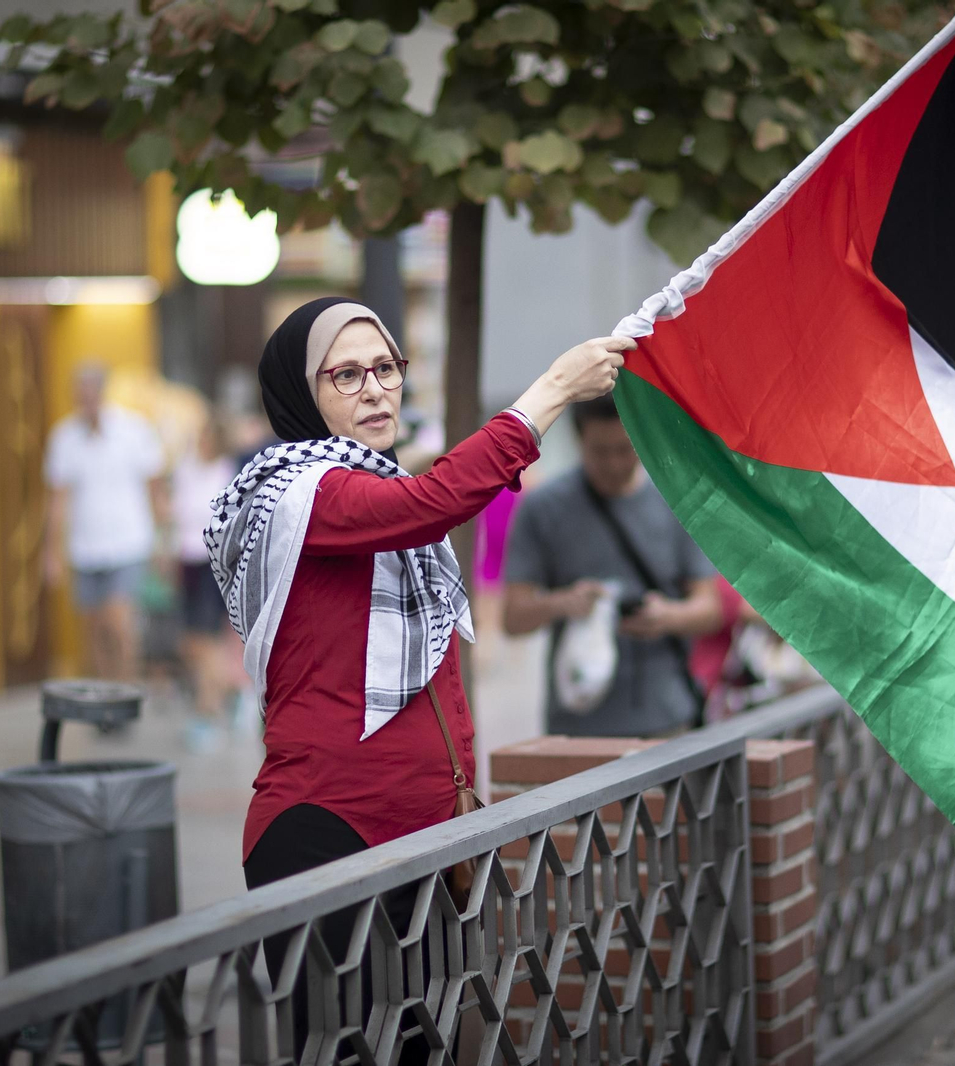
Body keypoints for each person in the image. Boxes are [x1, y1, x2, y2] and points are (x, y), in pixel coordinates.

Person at [203, 297, 627, 1044]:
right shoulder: (300, 493)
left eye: (386, 368)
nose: (375, 389)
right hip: (326, 835)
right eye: (345, 375)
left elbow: (419, 503)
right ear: (304, 394)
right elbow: (433, 503)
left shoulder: (373, 489)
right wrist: (555, 387)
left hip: (428, 837)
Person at [502, 394, 721, 737]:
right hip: (578, 726)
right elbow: (512, 618)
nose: (615, 464)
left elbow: (710, 609)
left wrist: (666, 617)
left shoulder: (675, 500)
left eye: (625, 449)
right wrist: (564, 603)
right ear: (578, 440)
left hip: (667, 720)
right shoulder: (543, 508)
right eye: (600, 452)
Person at [43, 361, 167, 681]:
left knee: (119, 622)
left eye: (88, 391)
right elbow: (58, 499)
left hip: (128, 542)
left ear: (100, 391)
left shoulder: (133, 430)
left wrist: (163, 539)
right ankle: (105, 694)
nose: (84, 398)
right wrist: (51, 552)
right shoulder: (64, 437)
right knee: (94, 627)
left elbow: (155, 489)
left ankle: (125, 690)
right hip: (85, 547)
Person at [170, 420, 237, 750]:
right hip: (187, 560)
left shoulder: (226, 472)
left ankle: (208, 709)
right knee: (190, 640)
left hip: (212, 562)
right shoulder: (187, 469)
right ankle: (226, 693)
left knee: (209, 639)